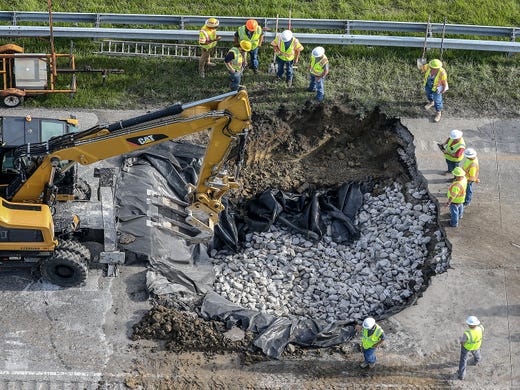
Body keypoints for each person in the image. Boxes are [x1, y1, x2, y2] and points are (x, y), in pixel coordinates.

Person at [419, 58, 448, 122]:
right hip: (428, 85)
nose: (432, 69)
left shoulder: (442, 73)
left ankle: (438, 113)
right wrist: (421, 65)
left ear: (438, 68)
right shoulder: (428, 66)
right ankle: (431, 102)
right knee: (428, 95)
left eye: (434, 69)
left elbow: (444, 83)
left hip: (437, 88)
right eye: (431, 68)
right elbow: (421, 69)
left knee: (437, 101)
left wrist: (443, 90)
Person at [458, 315, 484, 380]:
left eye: (468, 323)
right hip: (476, 346)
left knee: (463, 360)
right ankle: (477, 360)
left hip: (466, 347)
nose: (467, 324)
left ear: (470, 325)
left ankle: (461, 375)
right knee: (477, 354)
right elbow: (481, 329)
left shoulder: (467, 333)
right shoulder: (481, 328)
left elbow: (463, 342)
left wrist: (461, 343)